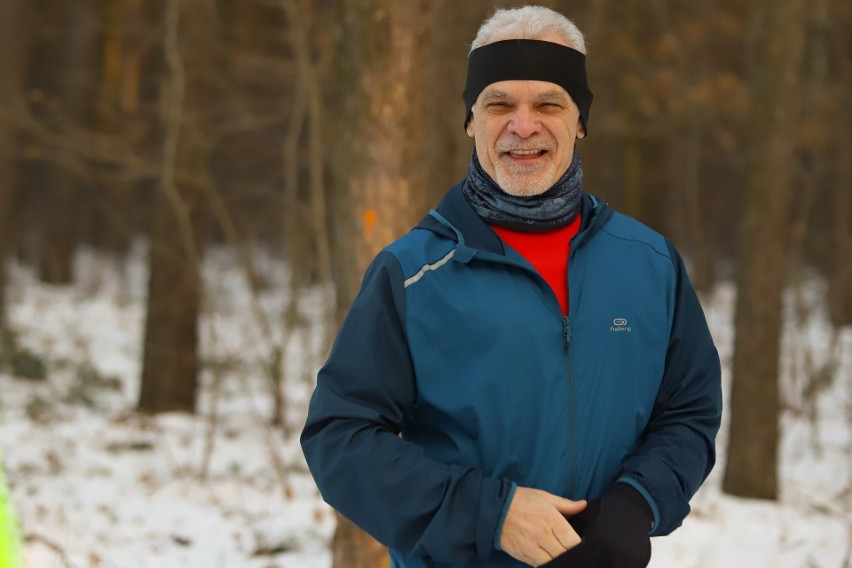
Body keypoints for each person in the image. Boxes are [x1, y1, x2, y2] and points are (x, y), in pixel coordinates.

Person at [301, 6, 722, 568]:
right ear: (471, 121)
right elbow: (340, 438)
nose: (523, 126)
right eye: (499, 104)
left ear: (580, 120)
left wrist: (637, 500)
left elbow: (689, 411)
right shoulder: (413, 273)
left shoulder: (649, 263)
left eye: (548, 103)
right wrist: (490, 515)